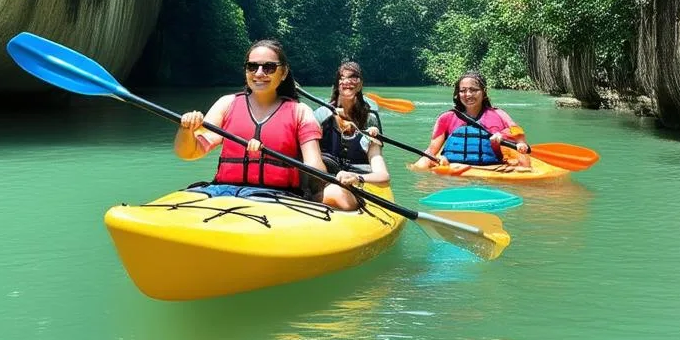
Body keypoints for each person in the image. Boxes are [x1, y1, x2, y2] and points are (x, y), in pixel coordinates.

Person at [173, 41, 377, 209]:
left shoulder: (299, 111)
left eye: (269, 67)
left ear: (284, 72)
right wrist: (186, 130)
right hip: (223, 190)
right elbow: (191, 153)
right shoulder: (226, 104)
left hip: (278, 196)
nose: (259, 73)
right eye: (252, 66)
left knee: (340, 197)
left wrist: (268, 153)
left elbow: (314, 165)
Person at [412, 71, 531, 171]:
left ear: (483, 92)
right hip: (453, 168)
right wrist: (422, 164)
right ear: (457, 94)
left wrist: (503, 135)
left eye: (473, 90)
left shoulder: (498, 114)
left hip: (490, 169)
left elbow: (518, 134)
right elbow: (432, 150)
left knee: (524, 164)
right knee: (423, 162)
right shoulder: (446, 118)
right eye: (462, 91)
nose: (468, 94)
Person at [311, 61, 391, 208]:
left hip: (357, 186)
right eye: (342, 78)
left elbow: (383, 176)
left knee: (336, 193)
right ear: (336, 84)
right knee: (332, 191)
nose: (347, 81)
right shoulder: (321, 117)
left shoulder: (370, 121)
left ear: (360, 84)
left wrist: (356, 178)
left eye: (353, 77)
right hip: (325, 180)